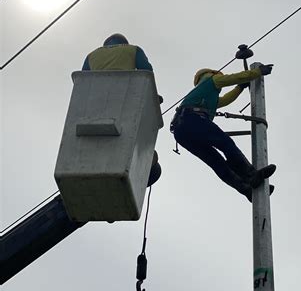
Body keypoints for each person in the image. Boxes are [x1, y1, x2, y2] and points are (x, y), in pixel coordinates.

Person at [171, 61, 276, 202]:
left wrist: (240, 87)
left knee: (216, 162)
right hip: (191, 119)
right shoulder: (211, 79)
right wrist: (256, 73)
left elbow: (225, 100)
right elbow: (232, 78)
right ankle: (251, 175)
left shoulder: (205, 95)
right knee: (225, 143)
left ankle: (246, 189)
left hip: (181, 132)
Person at [82, 33, 161, 187]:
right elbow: (147, 72)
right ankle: (135, 169)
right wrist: (154, 97)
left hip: (95, 106)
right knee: (132, 136)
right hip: (125, 102)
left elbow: (84, 81)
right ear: (124, 43)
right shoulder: (133, 50)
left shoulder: (92, 55)